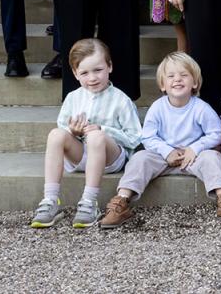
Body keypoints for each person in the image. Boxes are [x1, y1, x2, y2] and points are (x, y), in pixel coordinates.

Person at [97, 52, 221, 227]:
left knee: (213, 158)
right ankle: (121, 201)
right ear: (162, 85)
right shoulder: (157, 108)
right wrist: (167, 151)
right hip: (163, 158)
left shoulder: (201, 108)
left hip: (193, 158)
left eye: (184, 75)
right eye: (171, 76)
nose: (177, 79)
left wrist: (195, 148)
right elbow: (148, 136)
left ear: (195, 83)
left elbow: (216, 133)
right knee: (139, 158)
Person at [29, 38, 141, 229]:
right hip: (80, 156)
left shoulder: (121, 100)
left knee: (96, 136)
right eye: (84, 73)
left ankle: (89, 202)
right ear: (75, 73)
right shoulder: (73, 98)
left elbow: (135, 137)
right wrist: (72, 131)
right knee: (56, 134)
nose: (92, 78)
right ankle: (50, 200)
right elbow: (63, 125)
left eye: (98, 70)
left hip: (110, 159)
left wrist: (104, 130)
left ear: (110, 67)